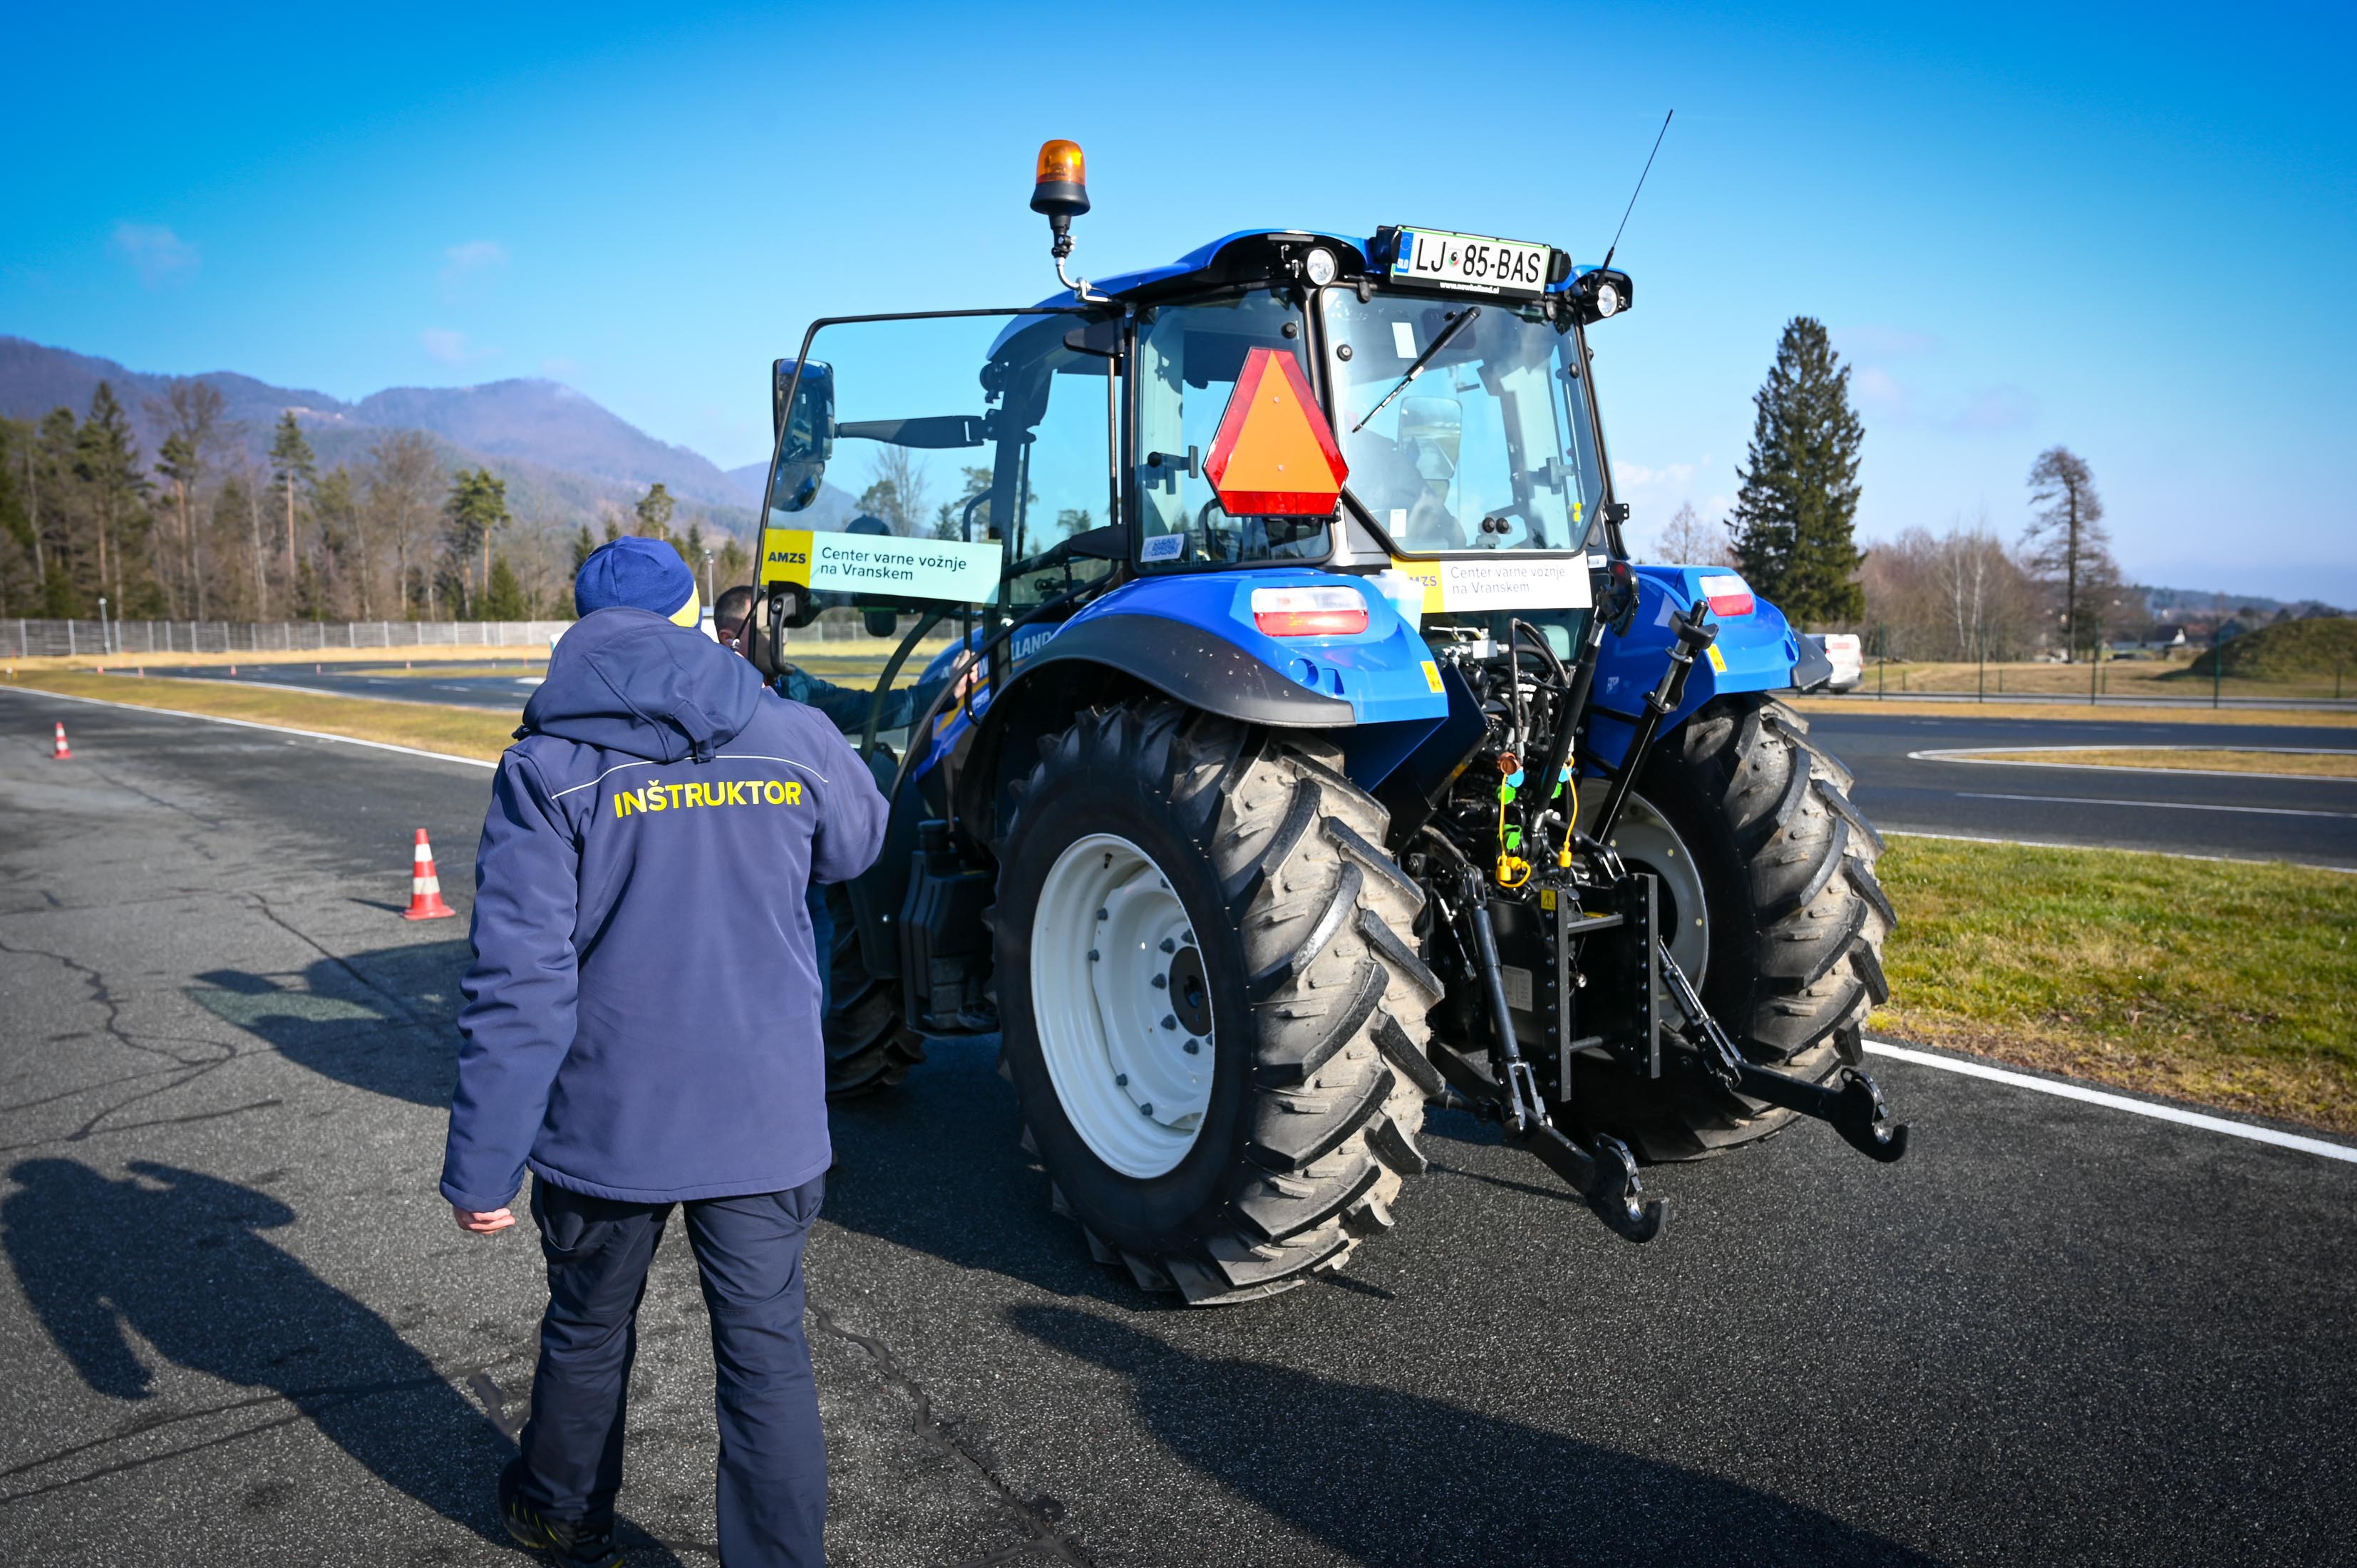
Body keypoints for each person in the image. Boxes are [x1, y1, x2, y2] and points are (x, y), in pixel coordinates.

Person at [441, 537, 887, 1568]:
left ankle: (562, 1515)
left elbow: (519, 981)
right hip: (764, 1111)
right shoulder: (791, 730)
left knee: (588, 1327)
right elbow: (859, 845)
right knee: (767, 1352)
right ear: (695, 617)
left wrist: (483, 1161)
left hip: (611, 1119)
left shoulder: (546, 764)